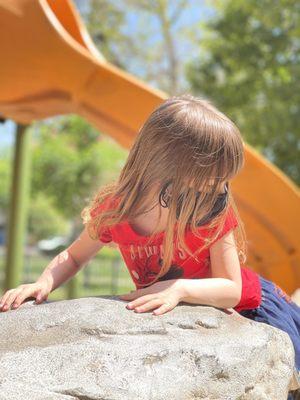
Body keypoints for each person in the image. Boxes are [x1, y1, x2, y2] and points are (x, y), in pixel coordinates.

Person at [0, 95, 299, 397]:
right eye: (213, 181)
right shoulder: (118, 210)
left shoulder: (211, 210)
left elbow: (231, 289)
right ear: (171, 168)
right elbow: (74, 256)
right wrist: (43, 283)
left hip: (251, 309)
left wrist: (180, 289)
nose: (222, 191)